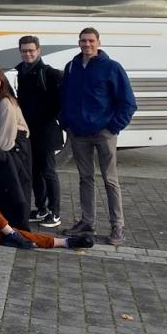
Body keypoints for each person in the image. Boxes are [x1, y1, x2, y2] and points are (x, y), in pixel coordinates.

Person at [59, 28, 137, 246]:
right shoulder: (72, 66)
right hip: (79, 133)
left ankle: (117, 227)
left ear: (98, 42)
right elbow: (64, 97)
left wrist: (113, 127)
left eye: (91, 41)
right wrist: (66, 122)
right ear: (78, 42)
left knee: (110, 180)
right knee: (85, 178)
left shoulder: (111, 68)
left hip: (103, 133)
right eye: (83, 41)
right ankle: (87, 221)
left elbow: (128, 102)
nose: (87, 44)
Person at [16, 35, 64, 228]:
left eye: (31, 50)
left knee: (48, 172)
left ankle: (55, 212)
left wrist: (46, 117)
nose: (28, 54)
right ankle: (41, 208)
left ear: (38, 51)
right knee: (34, 172)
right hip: (29, 132)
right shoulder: (21, 71)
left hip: (46, 131)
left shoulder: (49, 73)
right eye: (24, 50)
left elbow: (59, 103)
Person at [0, 66, 32, 230]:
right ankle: (1, 220)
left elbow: (7, 132)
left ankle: (20, 223)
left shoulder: (6, 101)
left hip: (13, 145)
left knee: (15, 185)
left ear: (1, 80)